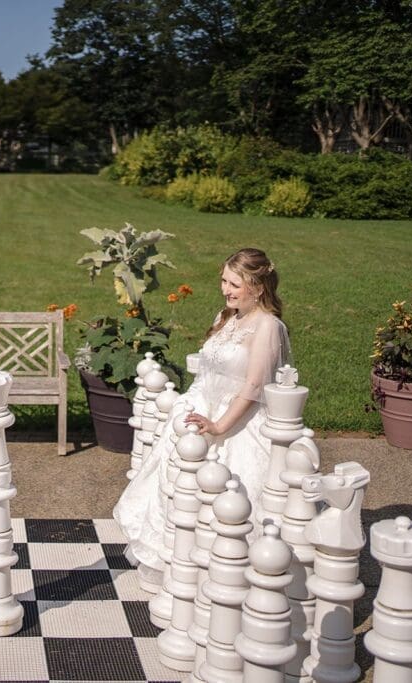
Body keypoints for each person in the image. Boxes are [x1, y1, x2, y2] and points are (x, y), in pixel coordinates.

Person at [113, 247, 291, 586]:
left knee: (225, 505)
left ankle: (219, 579)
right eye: (224, 281)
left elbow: (255, 386)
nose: (225, 290)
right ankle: (177, 567)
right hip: (200, 412)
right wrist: (191, 404)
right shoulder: (226, 316)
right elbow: (208, 372)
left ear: (258, 285)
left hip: (237, 422)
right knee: (177, 494)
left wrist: (220, 425)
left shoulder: (267, 326)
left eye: (234, 284)